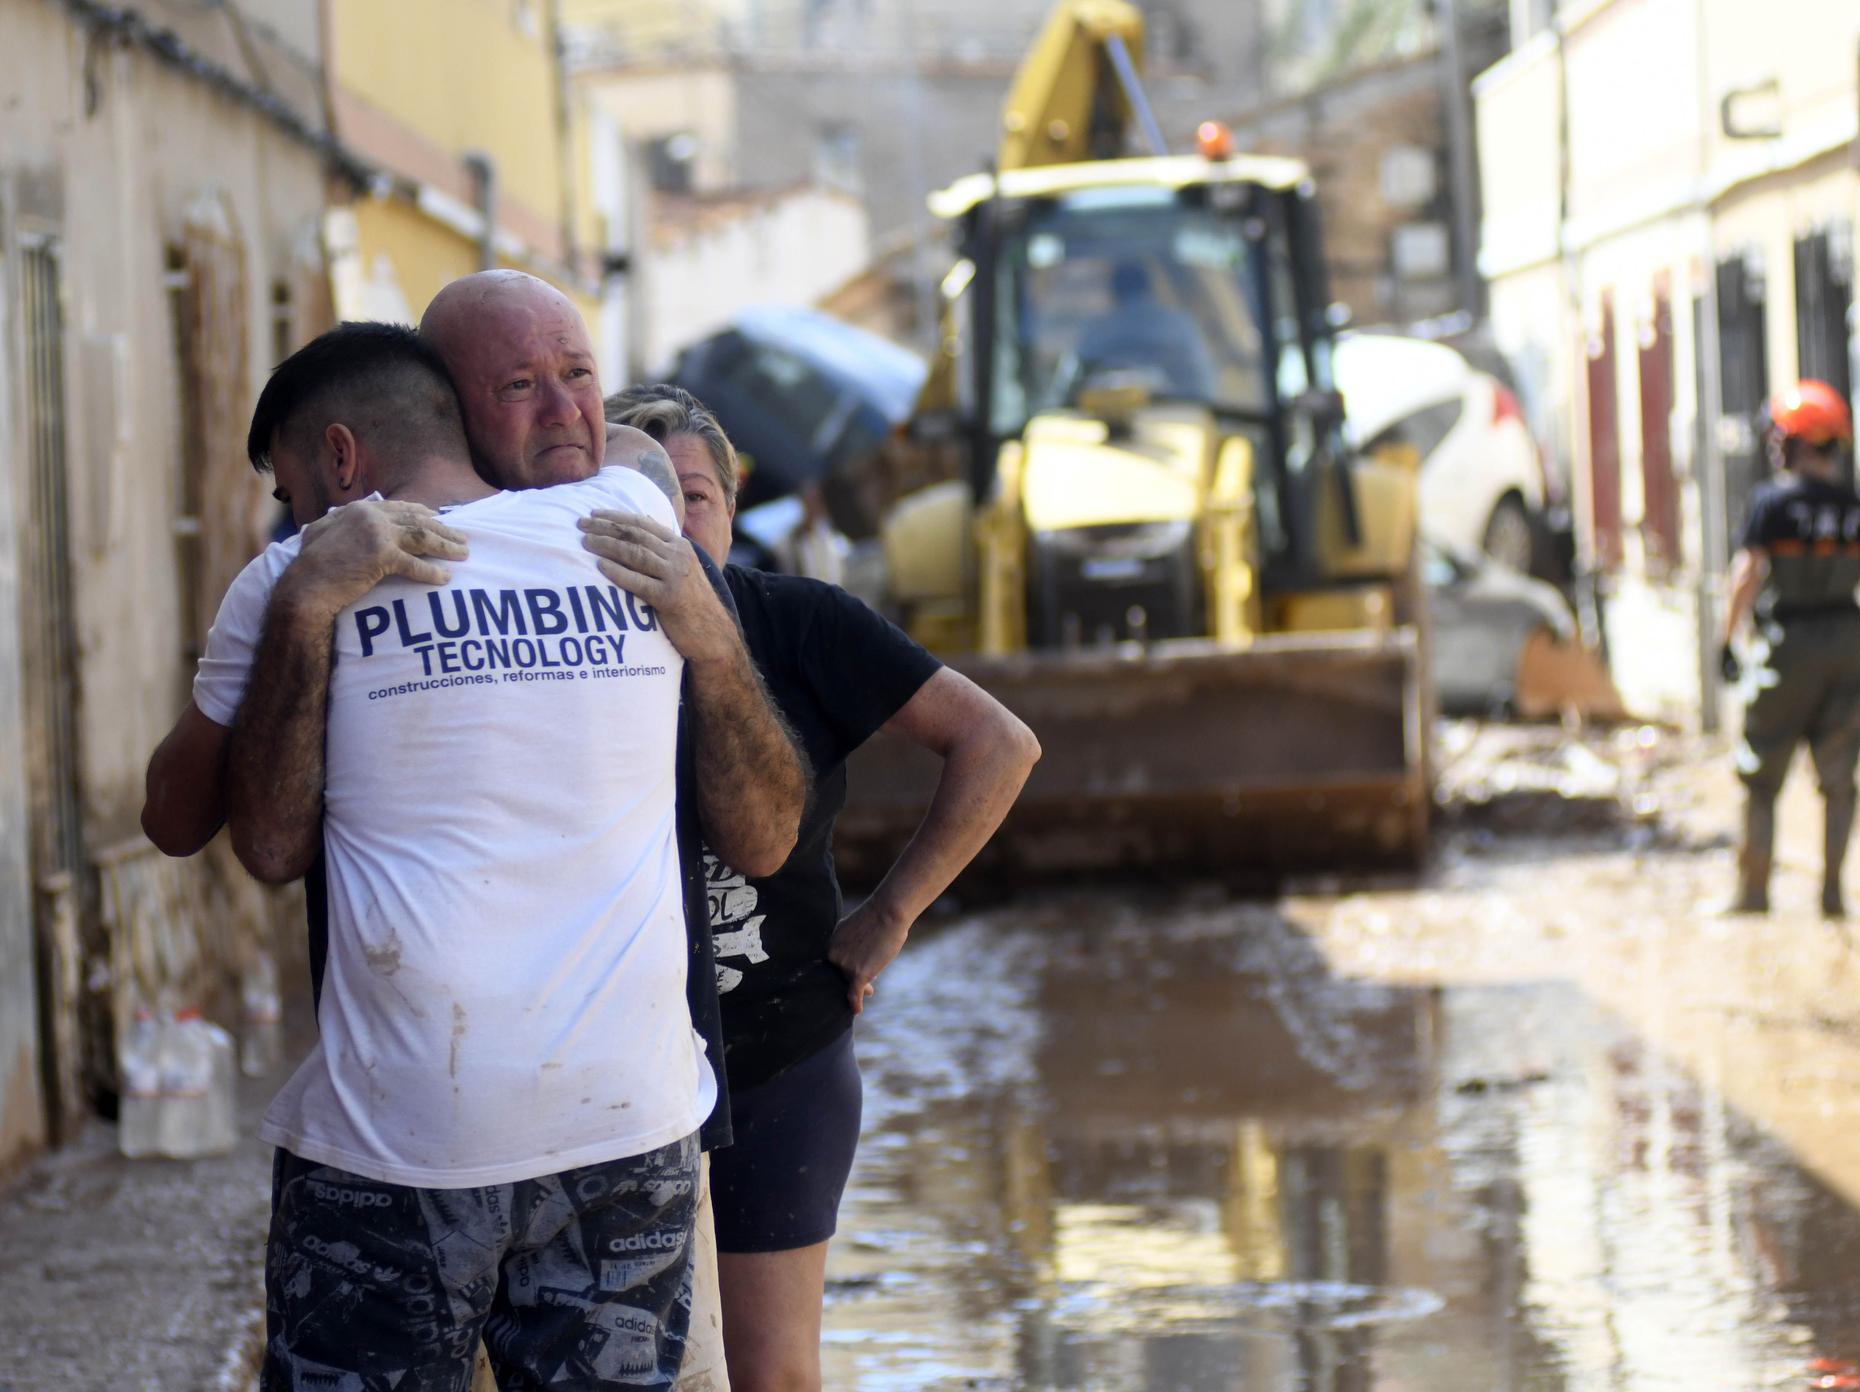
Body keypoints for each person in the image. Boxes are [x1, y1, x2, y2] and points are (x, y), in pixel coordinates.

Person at [142, 272, 803, 1392]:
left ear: (342, 464)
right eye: (522, 386)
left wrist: (307, 599)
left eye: (577, 378)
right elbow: (648, 466)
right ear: (457, 406)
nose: (562, 411)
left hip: (403, 1142)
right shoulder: (636, 522)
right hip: (626, 1133)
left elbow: (221, 836)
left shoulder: (297, 577)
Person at [605, 383, 1039, 1392]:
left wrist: (889, 914)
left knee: (771, 1372)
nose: (667, 526)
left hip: (778, 1059)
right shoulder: (555, 653)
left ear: (729, 504)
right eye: (631, 496)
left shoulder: (796, 621)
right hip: (608, 1068)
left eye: (693, 497)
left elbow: (998, 744)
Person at [1718, 380, 1860, 919]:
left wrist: (1727, 639)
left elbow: (1747, 574)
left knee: (1761, 774)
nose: (1775, 446)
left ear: (1798, 443)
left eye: (1781, 436)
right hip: (1846, 646)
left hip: (1786, 648)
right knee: (1839, 780)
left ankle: (1752, 896)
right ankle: (1834, 896)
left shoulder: (1771, 504)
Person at [1072, 257, 1216, 401]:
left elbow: (1075, 383)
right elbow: (1201, 383)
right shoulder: (1179, 325)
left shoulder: (1097, 331)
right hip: (1178, 413)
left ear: (1114, 292)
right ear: (1149, 288)